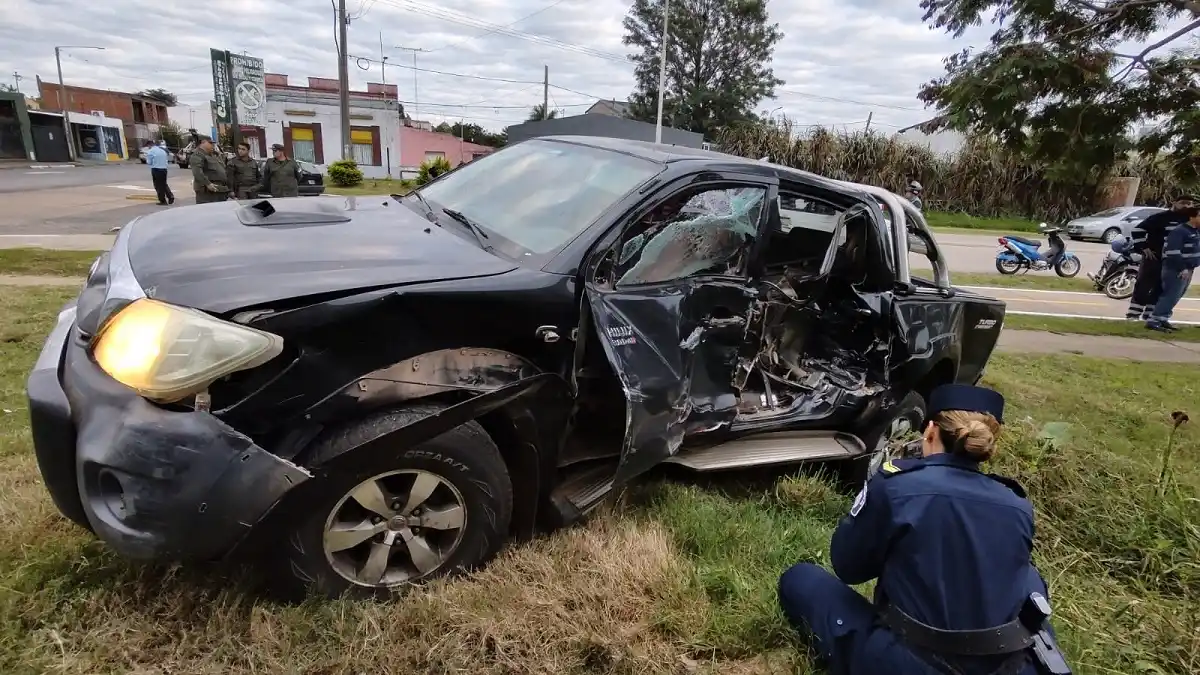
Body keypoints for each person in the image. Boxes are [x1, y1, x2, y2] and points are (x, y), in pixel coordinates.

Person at [778, 384, 1071, 675]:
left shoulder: (898, 486)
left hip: (907, 663)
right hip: (1007, 666)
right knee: (1029, 577)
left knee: (800, 579)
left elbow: (848, 567)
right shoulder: (1017, 504)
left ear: (930, 431)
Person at [1125, 195, 1198, 321]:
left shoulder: (1190, 221)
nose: (1187, 206)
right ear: (1174, 202)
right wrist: (1144, 247)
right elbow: (1138, 230)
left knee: (1162, 288)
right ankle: (1133, 314)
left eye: (1190, 203)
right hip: (1154, 257)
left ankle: (1150, 315)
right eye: (1183, 203)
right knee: (1144, 285)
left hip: (1173, 261)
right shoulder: (1160, 218)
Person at [1146, 206, 1200, 332]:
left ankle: (1163, 319)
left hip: (1189, 269)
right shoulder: (1179, 231)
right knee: (1170, 295)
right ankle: (1154, 320)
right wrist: (1182, 268)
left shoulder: (1195, 231)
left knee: (1176, 295)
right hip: (1176, 269)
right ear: (1192, 217)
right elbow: (1173, 251)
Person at [189, 137, 229, 204]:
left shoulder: (213, 155)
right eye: (210, 143)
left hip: (219, 191)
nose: (212, 145)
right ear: (203, 142)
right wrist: (208, 183)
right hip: (207, 193)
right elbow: (197, 171)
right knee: (209, 212)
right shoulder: (198, 155)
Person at [143, 140, 174, 206]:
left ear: (149, 145)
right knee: (164, 184)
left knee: (158, 186)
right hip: (164, 169)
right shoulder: (162, 150)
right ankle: (170, 196)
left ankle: (162, 200)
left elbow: (149, 162)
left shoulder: (150, 151)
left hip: (156, 169)